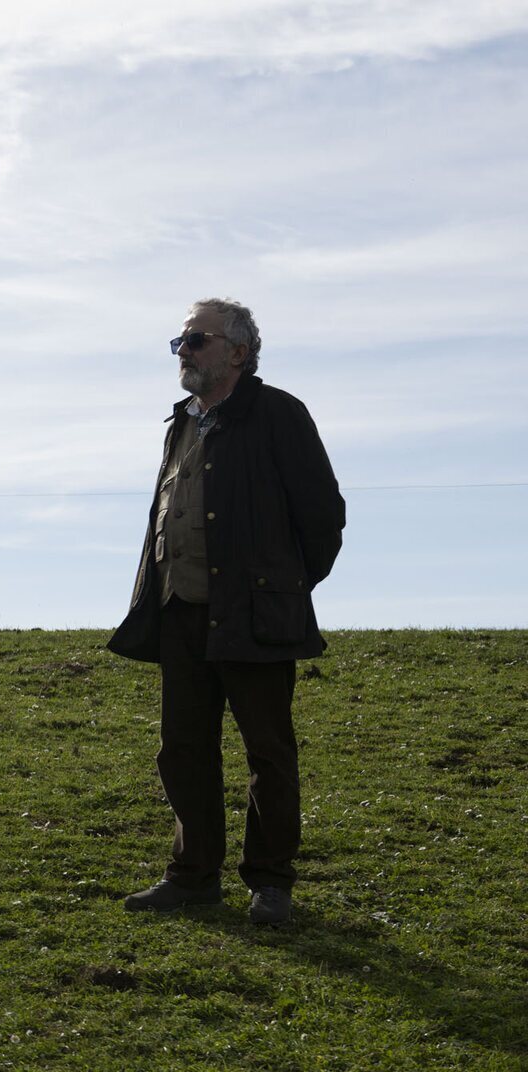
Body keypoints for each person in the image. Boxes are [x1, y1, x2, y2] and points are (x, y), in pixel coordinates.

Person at [109, 299, 344, 925]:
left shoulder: (279, 414)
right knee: (182, 749)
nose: (184, 351)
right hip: (180, 609)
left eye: (197, 340)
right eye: (180, 342)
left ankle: (271, 885)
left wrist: (283, 589)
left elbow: (322, 517)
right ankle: (192, 878)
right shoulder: (180, 422)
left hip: (254, 614)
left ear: (238, 352)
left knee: (268, 752)